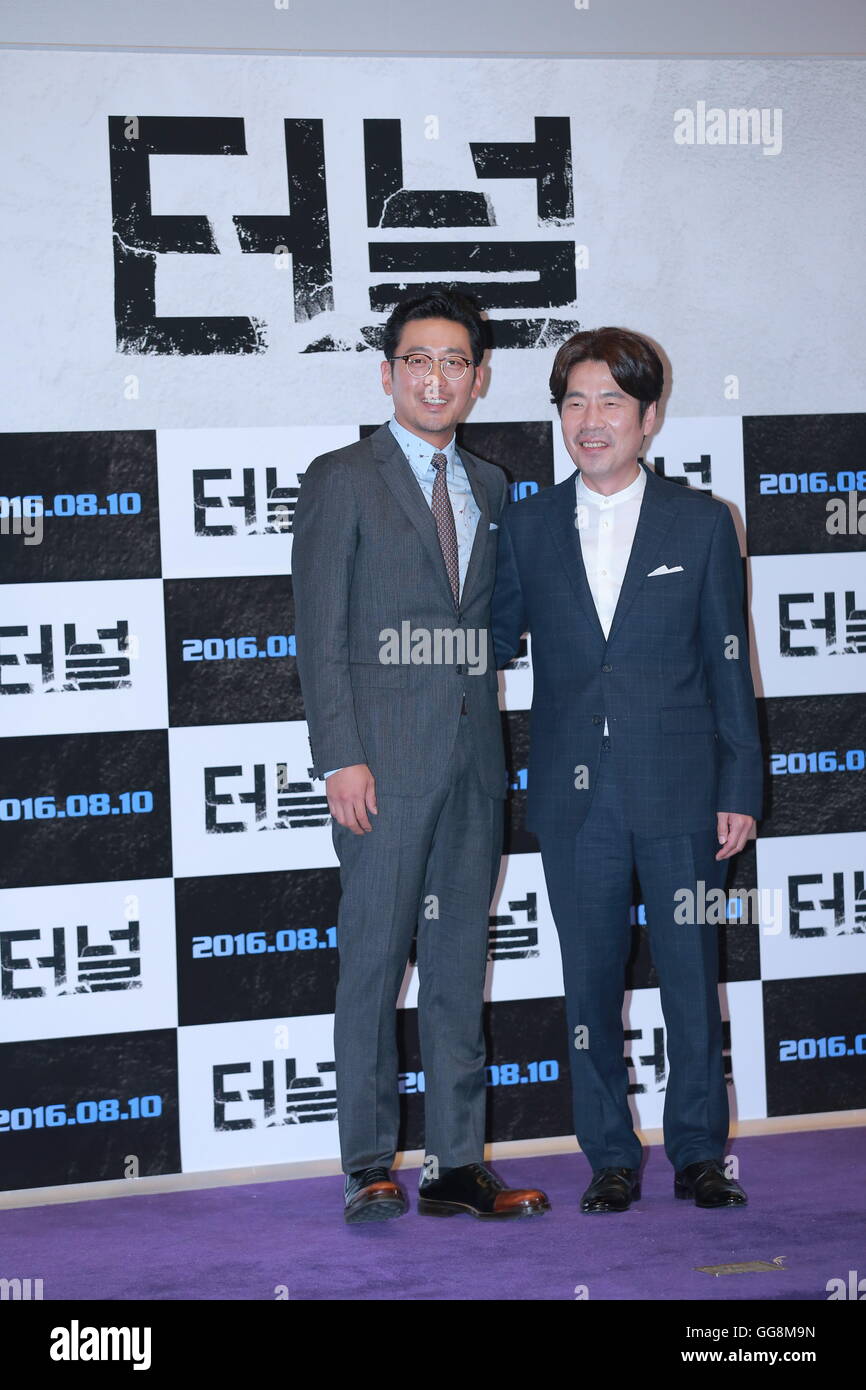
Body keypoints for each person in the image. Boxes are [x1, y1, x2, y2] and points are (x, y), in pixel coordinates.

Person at [292, 288, 550, 1224]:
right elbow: (319, 633)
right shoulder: (341, 478)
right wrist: (341, 757)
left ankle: (455, 1163)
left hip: (475, 761)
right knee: (371, 961)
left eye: (454, 362)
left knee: (454, 964)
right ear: (389, 372)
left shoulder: (491, 486)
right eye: (417, 360)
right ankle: (368, 1163)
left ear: (478, 378)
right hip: (381, 767)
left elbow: (490, 626)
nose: (435, 377)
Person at [492, 327, 762, 1213]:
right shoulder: (528, 525)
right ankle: (609, 1155)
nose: (591, 420)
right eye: (574, 401)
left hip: (683, 793)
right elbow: (487, 641)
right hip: (575, 802)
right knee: (589, 987)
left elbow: (730, 663)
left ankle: (697, 1154)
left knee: (692, 979)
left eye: (612, 401)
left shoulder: (701, 521)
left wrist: (739, 788)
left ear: (649, 418)